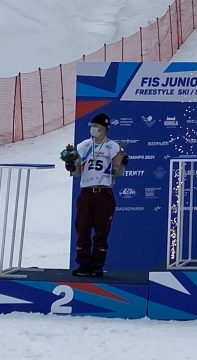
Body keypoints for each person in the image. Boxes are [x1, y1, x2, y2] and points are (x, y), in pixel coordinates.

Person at [66, 112, 128, 277]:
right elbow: (76, 171)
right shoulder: (84, 145)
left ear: (104, 128)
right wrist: (71, 164)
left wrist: (121, 162)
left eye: (96, 126)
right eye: (92, 126)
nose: (93, 129)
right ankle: (83, 264)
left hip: (103, 193)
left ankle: (97, 265)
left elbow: (118, 171)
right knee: (82, 228)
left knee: (102, 230)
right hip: (86, 192)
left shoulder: (112, 146)